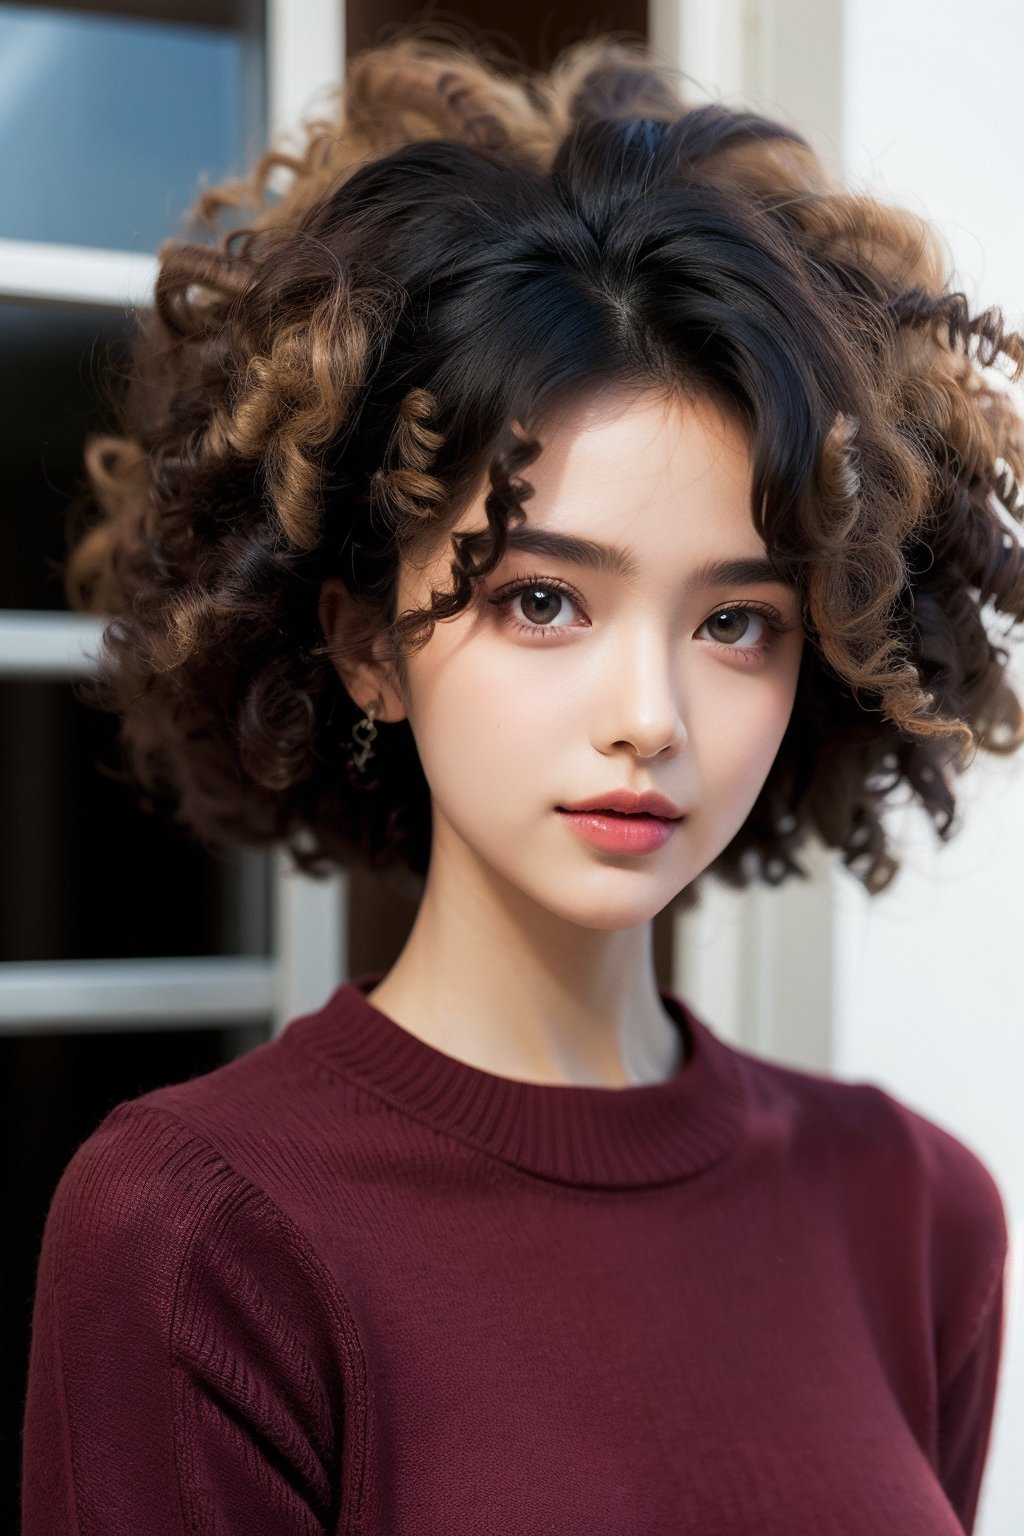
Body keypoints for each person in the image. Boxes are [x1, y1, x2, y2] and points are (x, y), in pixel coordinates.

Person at [20, 27, 1023, 1535]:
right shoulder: (198, 1235)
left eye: (735, 621)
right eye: (542, 599)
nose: (649, 716)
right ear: (364, 645)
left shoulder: (918, 1211)